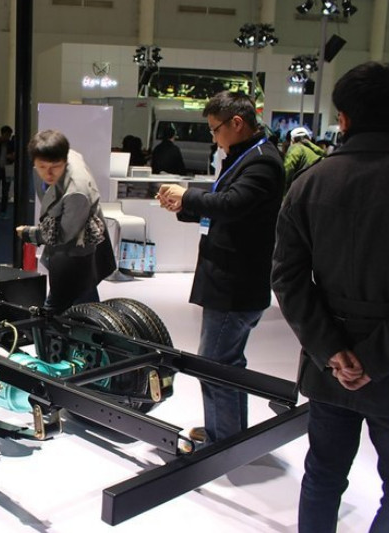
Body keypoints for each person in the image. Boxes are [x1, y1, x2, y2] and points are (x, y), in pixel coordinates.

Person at [272, 61, 389, 533]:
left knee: (322, 476)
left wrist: (331, 351)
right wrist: (373, 359)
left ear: (343, 118)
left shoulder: (310, 183)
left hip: (330, 367)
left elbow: (288, 278)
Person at [155, 91, 284, 444]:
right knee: (225, 364)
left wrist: (186, 196)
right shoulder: (246, 156)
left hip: (236, 284)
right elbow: (225, 207)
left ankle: (223, 440)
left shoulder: (262, 161)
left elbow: (232, 204)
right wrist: (183, 206)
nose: (214, 137)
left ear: (236, 123)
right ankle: (226, 433)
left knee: (214, 365)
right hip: (229, 279)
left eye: (215, 129)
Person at [16, 130, 116, 314]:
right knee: (84, 301)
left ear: (64, 160)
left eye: (55, 166)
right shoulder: (61, 156)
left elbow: (63, 234)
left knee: (57, 307)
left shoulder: (76, 191)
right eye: (42, 166)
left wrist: (29, 233)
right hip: (71, 248)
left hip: (77, 248)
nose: (48, 173)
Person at [282, 126, 326, 195]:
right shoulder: (320, 154)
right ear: (309, 140)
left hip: (300, 193)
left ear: (292, 140)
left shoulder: (296, 148)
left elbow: (287, 173)